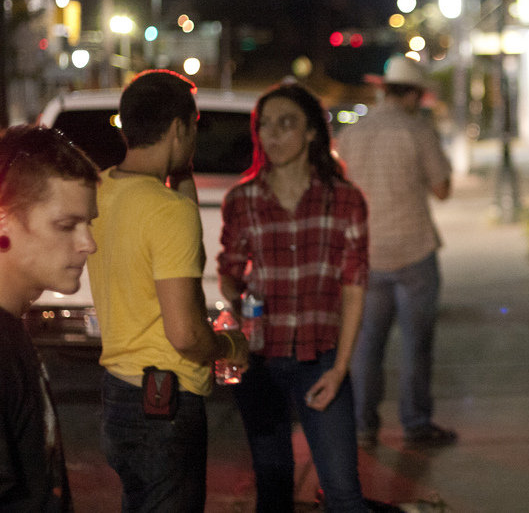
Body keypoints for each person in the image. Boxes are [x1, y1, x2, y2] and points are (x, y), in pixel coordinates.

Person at [88, 70, 249, 511]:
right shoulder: (167, 212)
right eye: (193, 128)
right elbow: (185, 335)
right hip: (165, 402)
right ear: (180, 127)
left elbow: (178, 219)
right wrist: (230, 345)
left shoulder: (100, 189)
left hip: (119, 395)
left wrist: (182, 168)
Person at [218, 82, 368, 512]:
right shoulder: (243, 199)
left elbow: (355, 286)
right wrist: (241, 302)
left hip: (320, 360)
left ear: (312, 133)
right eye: (265, 125)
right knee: (273, 491)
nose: (274, 135)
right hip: (260, 363)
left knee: (342, 491)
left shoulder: (344, 200)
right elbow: (229, 273)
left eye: (287, 124)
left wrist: (340, 368)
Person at [336, 56, 456, 449]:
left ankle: (362, 423)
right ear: (413, 95)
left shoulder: (352, 134)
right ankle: (415, 422)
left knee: (366, 345)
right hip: (414, 250)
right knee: (415, 345)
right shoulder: (417, 131)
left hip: (368, 253)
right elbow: (441, 189)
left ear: (384, 89)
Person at [0, 126, 99, 511]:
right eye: (66, 225)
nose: (88, 243)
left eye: (89, 222)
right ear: (4, 222)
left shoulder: (13, 328)